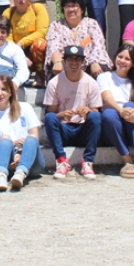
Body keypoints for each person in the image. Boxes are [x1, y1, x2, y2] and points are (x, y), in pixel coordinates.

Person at [43, 45, 103, 180]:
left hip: (82, 128)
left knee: (95, 116)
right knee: (50, 117)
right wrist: (62, 114)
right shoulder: (54, 83)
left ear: (83, 62)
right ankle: (61, 161)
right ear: (65, 61)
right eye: (70, 59)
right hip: (64, 128)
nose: (74, 63)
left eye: (78, 60)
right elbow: (51, 112)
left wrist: (88, 111)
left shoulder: (91, 83)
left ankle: (88, 161)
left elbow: (96, 111)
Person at [98, 44, 134, 179]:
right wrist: (120, 110)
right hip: (112, 128)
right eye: (120, 57)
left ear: (133, 63)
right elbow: (107, 97)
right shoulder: (104, 77)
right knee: (109, 113)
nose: (122, 61)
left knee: (132, 105)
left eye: (127, 59)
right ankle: (127, 160)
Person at [0, 74, 43, 192]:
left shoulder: (25, 108)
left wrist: (21, 154)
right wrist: (13, 144)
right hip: (7, 160)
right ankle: (1, 176)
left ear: (11, 92)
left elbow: (35, 135)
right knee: (5, 139)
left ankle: (21, 172)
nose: (0, 93)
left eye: (4, 89)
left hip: (30, 160)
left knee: (31, 138)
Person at [44, 0, 112, 79]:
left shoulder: (92, 24)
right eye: (67, 6)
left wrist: (94, 62)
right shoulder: (56, 25)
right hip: (64, 66)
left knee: (100, 69)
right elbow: (52, 46)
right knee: (56, 68)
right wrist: (58, 62)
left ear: (82, 9)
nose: (71, 9)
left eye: (75, 6)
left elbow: (98, 44)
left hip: (89, 64)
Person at [3, 0, 49, 85]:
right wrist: (19, 54)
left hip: (33, 49)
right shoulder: (8, 13)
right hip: (15, 50)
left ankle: (40, 75)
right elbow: (7, 36)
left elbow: (42, 32)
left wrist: (22, 43)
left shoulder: (38, 9)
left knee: (40, 44)